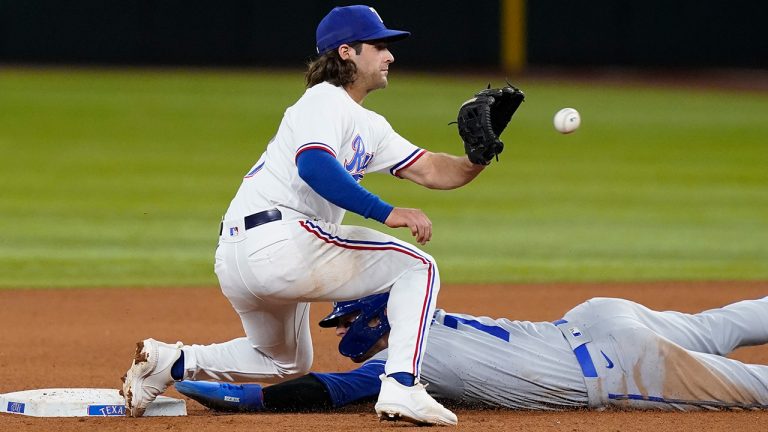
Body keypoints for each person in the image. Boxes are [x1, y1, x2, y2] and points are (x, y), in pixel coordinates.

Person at [122, 5, 494, 426]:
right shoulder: (324, 101)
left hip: (242, 253)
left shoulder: (366, 123)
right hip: (280, 240)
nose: (390, 56)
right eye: (379, 45)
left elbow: (431, 170)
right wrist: (384, 211)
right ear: (346, 52)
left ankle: (170, 362)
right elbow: (314, 166)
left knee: (285, 361)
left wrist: (478, 156)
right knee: (417, 267)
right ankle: (403, 386)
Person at [175, 293, 768, 413]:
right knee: (722, 322)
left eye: (348, 323)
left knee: (750, 387)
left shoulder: (403, 363)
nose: (344, 334)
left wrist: (250, 398)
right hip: (600, 318)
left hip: (620, 367)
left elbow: (330, 389)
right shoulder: (425, 310)